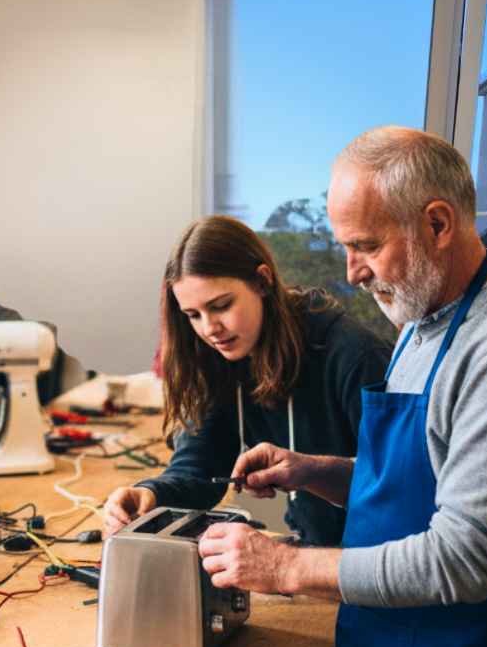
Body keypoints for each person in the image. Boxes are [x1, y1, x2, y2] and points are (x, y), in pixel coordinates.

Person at [198, 126, 487, 647]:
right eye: (345, 246)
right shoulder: (422, 316)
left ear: (438, 224)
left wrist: (284, 567)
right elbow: (425, 482)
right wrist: (315, 471)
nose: (353, 271)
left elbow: (464, 560)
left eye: (366, 245)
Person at [103, 216, 392, 546]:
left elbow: (399, 486)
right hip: (311, 548)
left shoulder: (356, 356)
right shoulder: (221, 358)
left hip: (372, 558)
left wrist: (311, 475)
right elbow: (199, 470)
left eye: (221, 306)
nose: (209, 329)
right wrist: (149, 494)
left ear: (262, 282)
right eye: (193, 315)